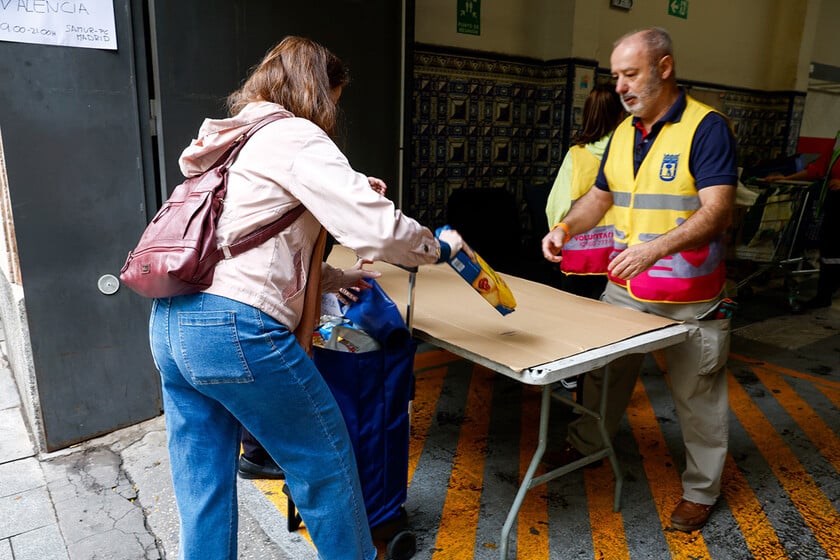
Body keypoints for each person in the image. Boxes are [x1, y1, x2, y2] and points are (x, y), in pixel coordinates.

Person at [149, 36, 464, 560]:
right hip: (234, 330)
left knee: (202, 480)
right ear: (320, 91)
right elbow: (380, 232)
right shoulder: (294, 134)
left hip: (171, 324)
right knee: (326, 463)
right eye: (335, 99)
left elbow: (245, 240)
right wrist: (435, 247)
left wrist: (332, 277)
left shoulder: (229, 140)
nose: (334, 113)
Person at [541, 27, 737, 533]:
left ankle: (700, 492)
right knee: (603, 374)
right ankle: (587, 447)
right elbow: (600, 197)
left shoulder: (706, 128)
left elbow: (717, 212)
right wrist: (566, 225)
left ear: (664, 68)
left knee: (699, 398)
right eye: (616, 76)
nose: (622, 86)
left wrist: (652, 248)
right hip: (627, 290)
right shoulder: (624, 133)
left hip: (690, 297)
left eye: (632, 74)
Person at [546, 84, 624, 300]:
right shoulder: (629, 155)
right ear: (621, 117)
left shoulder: (576, 155)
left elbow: (556, 206)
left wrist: (556, 237)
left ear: (587, 115)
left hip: (579, 258)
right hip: (620, 259)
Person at [765, 138, 840, 309]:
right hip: (834, 201)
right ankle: (825, 294)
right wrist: (786, 179)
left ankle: (826, 292)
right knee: (830, 251)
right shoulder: (838, 141)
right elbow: (818, 169)